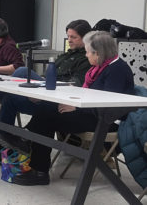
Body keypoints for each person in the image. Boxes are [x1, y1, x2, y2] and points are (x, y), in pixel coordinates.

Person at [8, 31, 134, 186]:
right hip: (92, 113)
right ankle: (31, 148)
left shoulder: (117, 70)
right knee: (47, 108)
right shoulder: (100, 68)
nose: (86, 55)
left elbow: (107, 105)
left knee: (47, 115)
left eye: (88, 52)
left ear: (99, 53)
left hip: (106, 121)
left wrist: (77, 108)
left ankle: (35, 161)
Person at [0, 19, 92, 166]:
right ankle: (4, 145)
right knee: (9, 99)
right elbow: (47, 77)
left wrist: (41, 88)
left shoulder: (87, 59)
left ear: (85, 37)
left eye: (73, 37)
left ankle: (13, 138)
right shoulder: (64, 56)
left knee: (21, 71)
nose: (69, 40)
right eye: (68, 36)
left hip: (59, 102)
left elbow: (77, 86)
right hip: (45, 95)